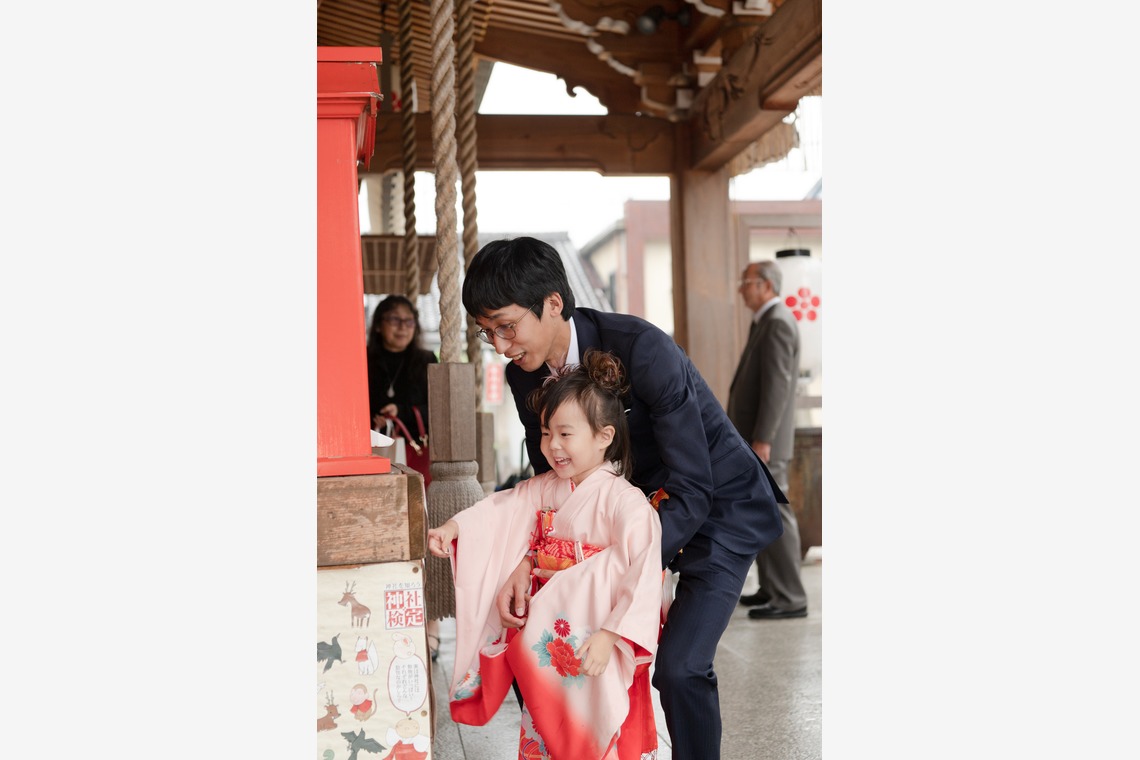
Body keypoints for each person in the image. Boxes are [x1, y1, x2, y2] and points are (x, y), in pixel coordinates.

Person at [459, 236, 786, 760]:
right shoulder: (524, 379)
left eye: (506, 326)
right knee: (540, 634)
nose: (500, 345)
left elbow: (693, 485)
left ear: (553, 303)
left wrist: (627, 565)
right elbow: (554, 479)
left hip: (715, 504)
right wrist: (529, 558)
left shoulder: (642, 348)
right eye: (486, 333)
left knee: (680, 667)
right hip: (623, 514)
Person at [427, 350, 663, 760]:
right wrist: (456, 527)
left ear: (604, 436)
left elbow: (643, 571)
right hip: (554, 641)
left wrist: (611, 634)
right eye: (545, 433)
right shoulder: (547, 487)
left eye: (565, 434)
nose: (552, 446)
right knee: (545, 726)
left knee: (598, 734)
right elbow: (502, 509)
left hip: (595, 640)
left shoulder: (626, 502)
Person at [728, 260, 809, 619]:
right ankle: (772, 587)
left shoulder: (777, 323)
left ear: (764, 286)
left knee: (775, 511)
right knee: (763, 510)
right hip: (759, 439)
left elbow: (776, 389)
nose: (741, 288)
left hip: (767, 442)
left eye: (745, 282)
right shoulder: (767, 320)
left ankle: (790, 597)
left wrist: (763, 439)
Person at [366, 294, 443, 657]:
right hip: (376, 457)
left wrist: (405, 412)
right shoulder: (363, 358)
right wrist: (376, 419)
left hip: (416, 457)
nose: (401, 328)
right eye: (394, 320)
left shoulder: (425, 360)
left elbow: (437, 407)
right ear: (379, 323)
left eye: (408, 321)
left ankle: (430, 626)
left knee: (422, 532)